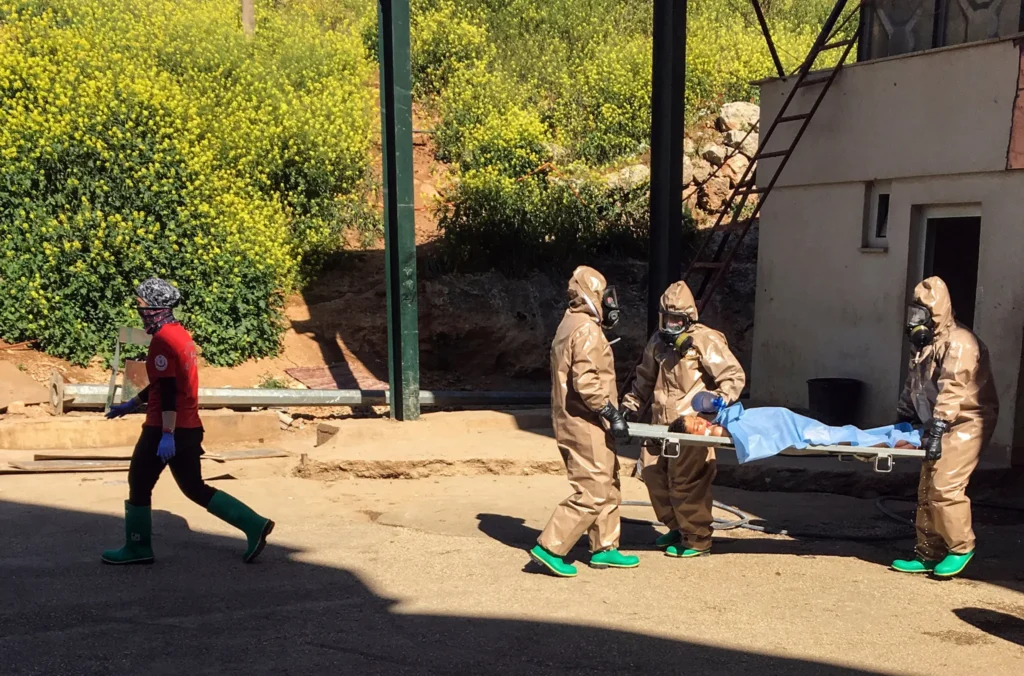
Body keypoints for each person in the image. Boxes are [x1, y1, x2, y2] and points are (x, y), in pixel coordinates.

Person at [102, 278, 275, 565]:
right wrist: (132, 403)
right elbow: (164, 383)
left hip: (165, 426)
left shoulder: (161, 341)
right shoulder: (180, 335)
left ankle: (137, 547)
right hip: (189, 425)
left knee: (139, 481)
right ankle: (254, 524)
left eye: (141, 305)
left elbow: (168, 391)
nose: (139, 310)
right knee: (193, 486)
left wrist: (167, 433)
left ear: (155, 308)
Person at [528, 266, 639, 578]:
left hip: (582, 419)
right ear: (592, 296)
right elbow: (587, 383)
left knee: (607, 480)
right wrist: (611, 412)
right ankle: (551, 547)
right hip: (584, 421)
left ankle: (605, 547)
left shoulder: (570, 322)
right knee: (592, 489)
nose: (610, 305)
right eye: (605, 298)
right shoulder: (587, 330)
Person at [621, 280, 745, 558]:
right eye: (667, 319)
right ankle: (676, 526)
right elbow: (644, 378)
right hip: (658, 424)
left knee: (687, 482)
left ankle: (698, 538)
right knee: (653, 475)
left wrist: (717, 401)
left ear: (689, 318)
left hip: (690, 426)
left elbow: (733, 376)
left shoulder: (705, 340)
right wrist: (630, 407)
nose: (671, 326)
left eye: (677, 320)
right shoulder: (657, 342)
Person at [891, 276, 998, 578]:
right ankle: (927, 552)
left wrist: (938, 428)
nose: (916, 322)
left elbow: (954, 388)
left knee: (945, 486)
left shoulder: (961, 343)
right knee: (927, 487)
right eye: (914, 314)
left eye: (921, 314)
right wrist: (903, 416)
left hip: (967, 420)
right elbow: (914, 384)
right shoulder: (926, 345)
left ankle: (961, 546)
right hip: (938, 420)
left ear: (937, 311)